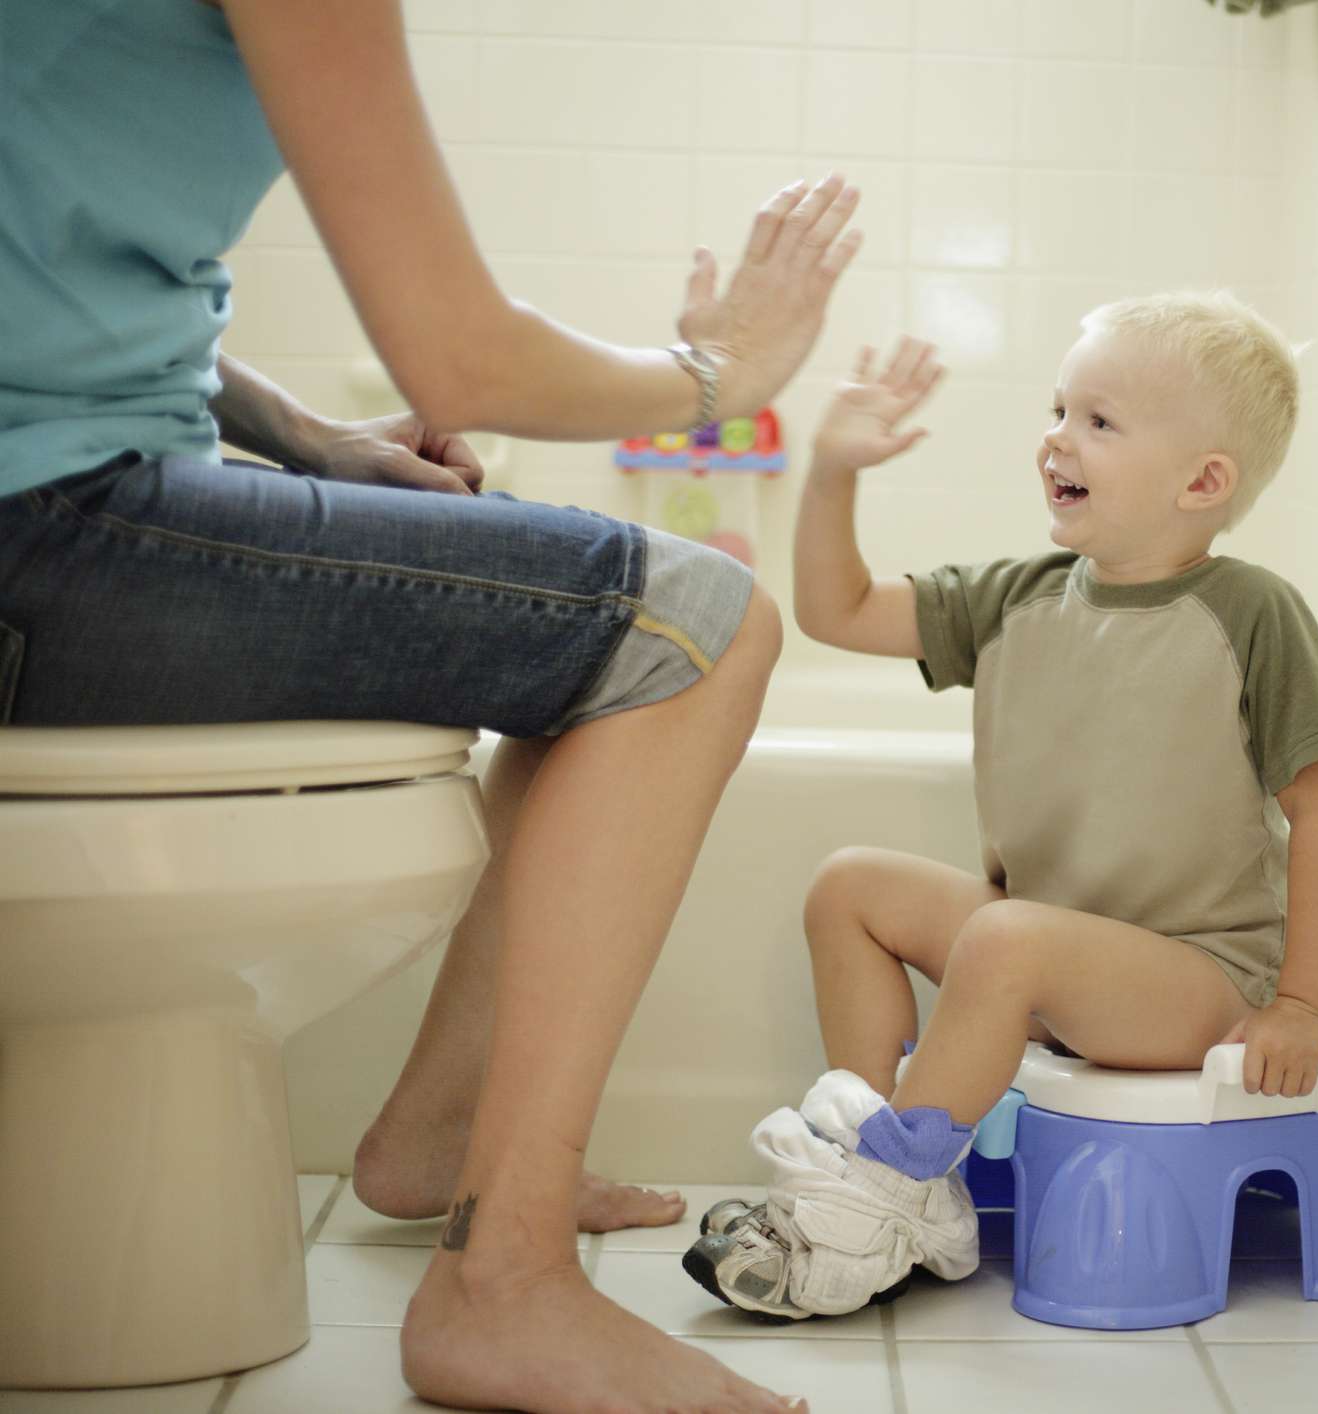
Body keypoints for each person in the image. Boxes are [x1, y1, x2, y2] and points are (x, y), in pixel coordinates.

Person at [0, 4, 882, 1410]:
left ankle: (434, 1137)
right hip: (48, 531)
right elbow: (461, 360)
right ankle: (502, 1283)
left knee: (583, 636)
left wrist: (303, 438)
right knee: (696, 620)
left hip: (54, 508)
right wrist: (724, 377)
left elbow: (46, 266)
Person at [689, 293, 1318, 1319]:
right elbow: (835, 610)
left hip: (1196, 975)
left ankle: (879, 1199)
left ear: (1202, 481)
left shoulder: (1251, 614)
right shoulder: (1018, 597)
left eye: (1099, 421)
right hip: (1042, 953)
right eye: (1061, 410)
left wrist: (1298, 1006)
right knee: (851, 889)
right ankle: (885, 1159)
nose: (1058, 436)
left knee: (1008, 938)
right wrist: (832, 471)